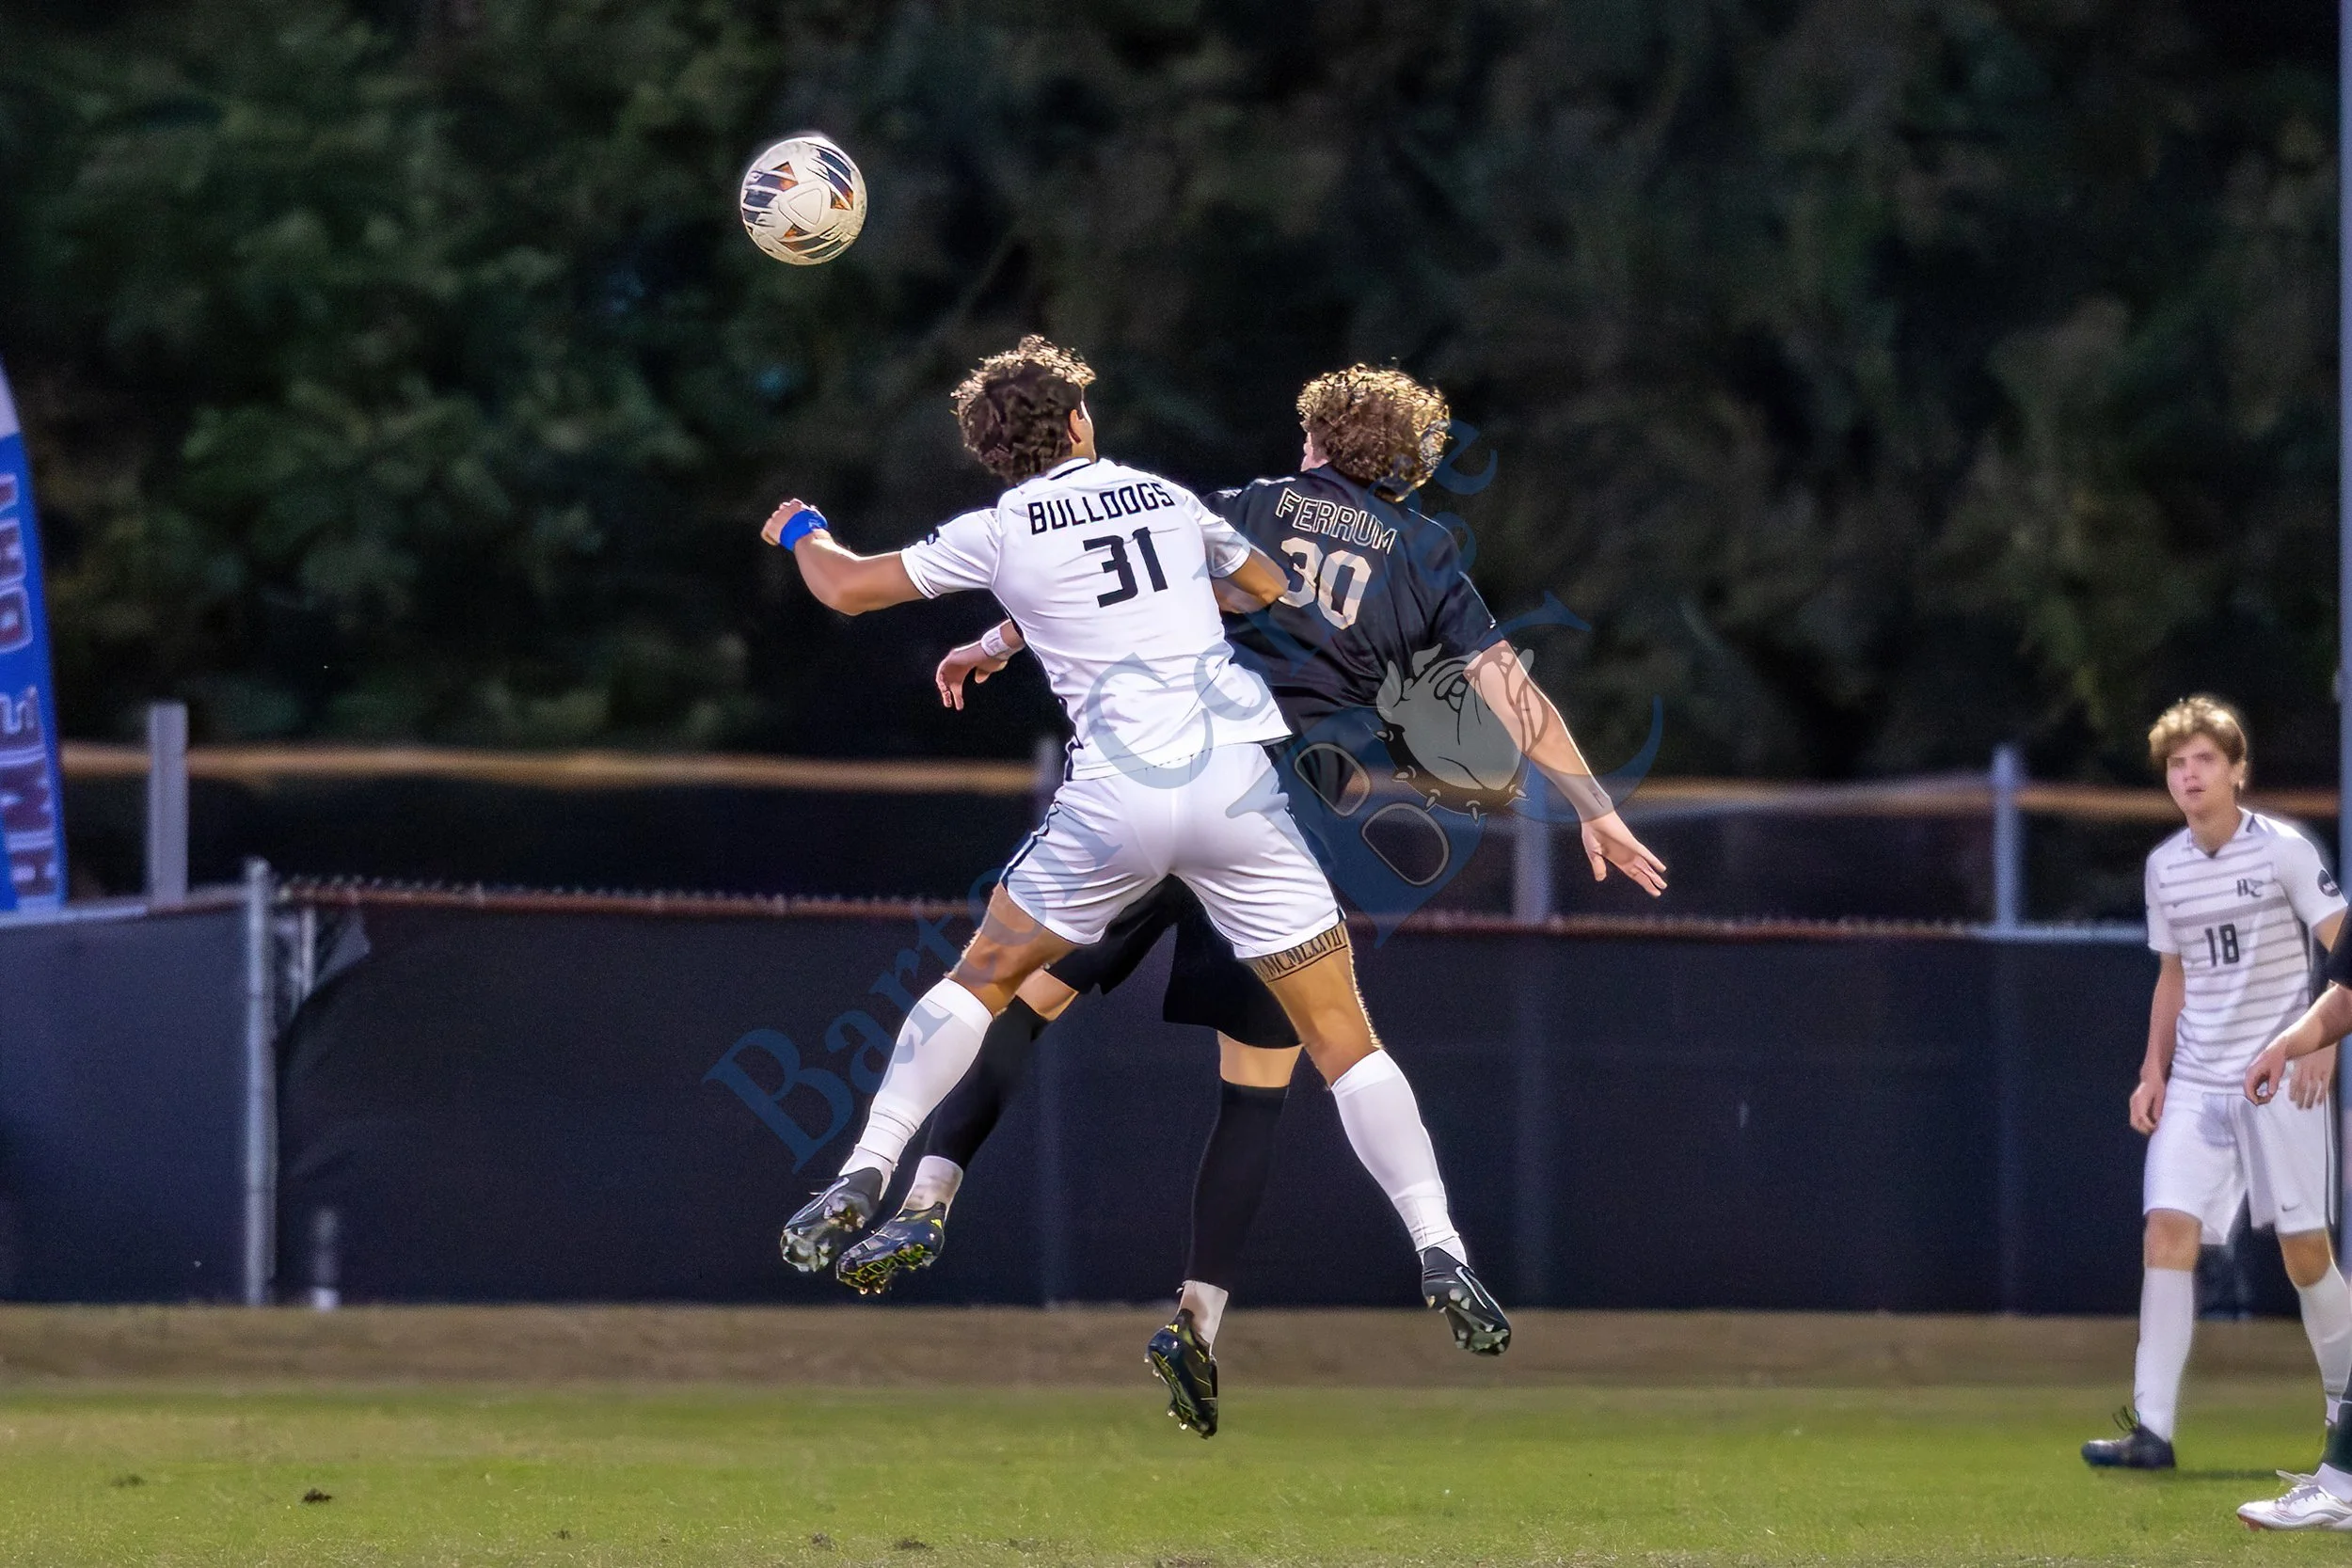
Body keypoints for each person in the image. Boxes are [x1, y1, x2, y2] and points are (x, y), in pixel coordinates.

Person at [829, 366, 1667, 1439]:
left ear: (1315, 433)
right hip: (1282, 814)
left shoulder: (1245, 503)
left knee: (1017, 997)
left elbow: (1103, 577)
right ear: (1410, 464)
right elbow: (1510, 692)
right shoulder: (1422, 552)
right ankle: (1204, 1314)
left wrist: (992, 643)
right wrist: (1593, 805)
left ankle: (925, 1192)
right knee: (1265, 1081)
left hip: (1160, 773)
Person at [2077, 697, 2347, 1500]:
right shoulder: (2166, 866)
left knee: (2306, 1253)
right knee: (2167, 1230)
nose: (2189, 775)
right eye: (2176, 764)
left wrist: (2324, 1041)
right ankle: (2152, 1430)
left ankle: (2347, 1409)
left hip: (2275, 1071)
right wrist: (2152, 1068)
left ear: (2238, 771)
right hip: (2197, 1078)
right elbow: (2174, 974)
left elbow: (2345, 945)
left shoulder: (2286, 852)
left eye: (2203, 760)